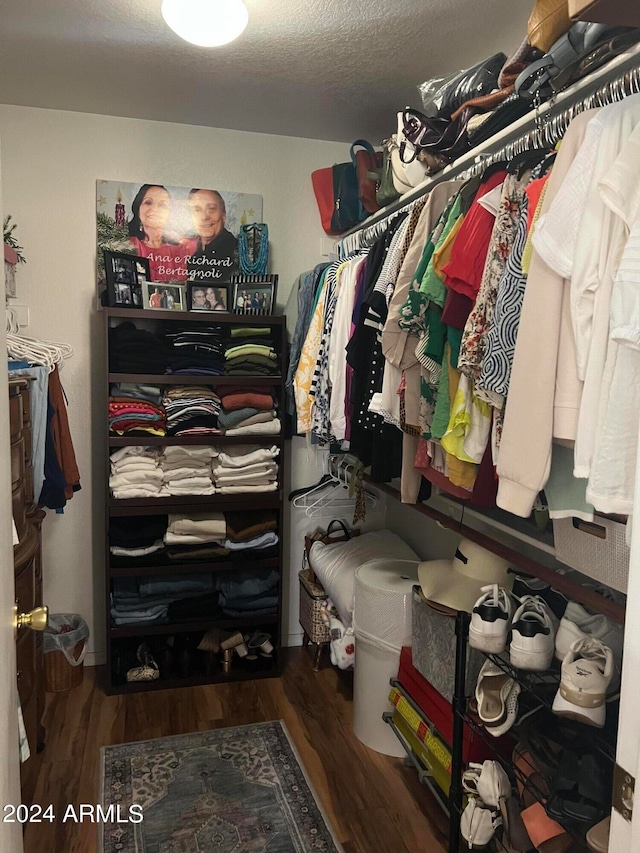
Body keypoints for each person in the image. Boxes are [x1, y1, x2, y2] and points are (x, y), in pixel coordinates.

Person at [127, 184, 193, 282]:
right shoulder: (127, 245)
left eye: (162, 205)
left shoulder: (182, 249)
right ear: (138, 208)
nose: (155, 209)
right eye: (148, 202)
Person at [186, 189, 239, 282]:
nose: (204, 217)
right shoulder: (191, 256)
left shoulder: (237, 253)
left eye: (211, 209)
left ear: (224, 215)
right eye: (197, 210)